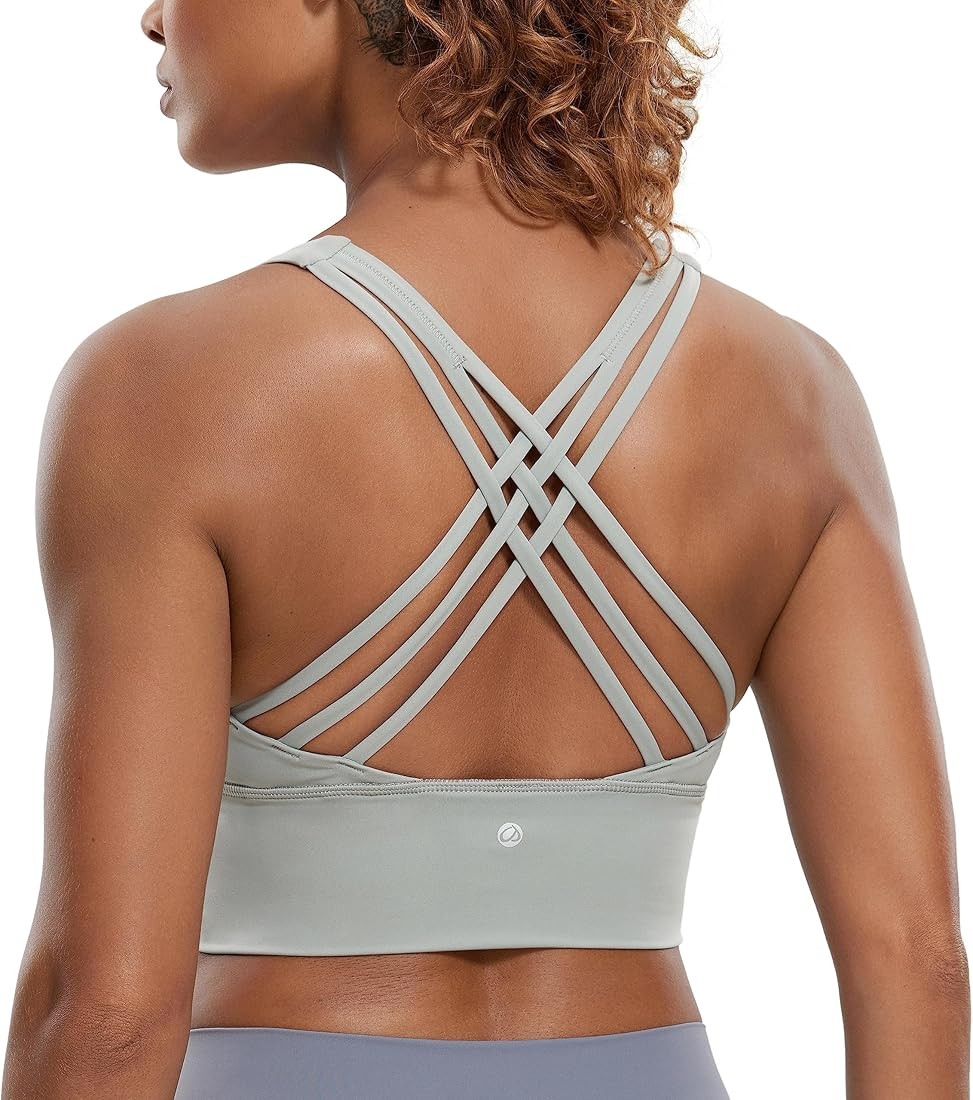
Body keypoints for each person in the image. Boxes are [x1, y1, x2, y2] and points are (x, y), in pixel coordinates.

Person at [2, 0, 968, 1094]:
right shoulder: (796, 398)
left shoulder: (164, 387)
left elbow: (108, 1013)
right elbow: (916, 962)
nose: (150, 18)